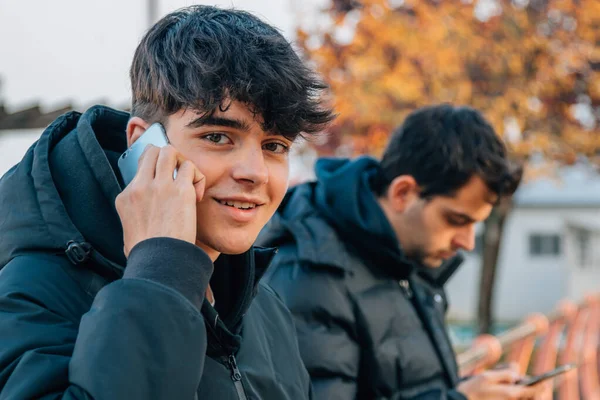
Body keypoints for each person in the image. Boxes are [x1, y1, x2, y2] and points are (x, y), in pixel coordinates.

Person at [0, 5, 334, 399]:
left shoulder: (265, 306)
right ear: (142, 143)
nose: (256, 172)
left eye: (274, 146)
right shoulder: (30, 292)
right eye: (217, 137)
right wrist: (162, 273)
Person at [259, 104, 548, 399]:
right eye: (456, 220)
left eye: (475, 225)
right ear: (403, 193)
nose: (467, 242)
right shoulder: (311, 274)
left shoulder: (409, 256)